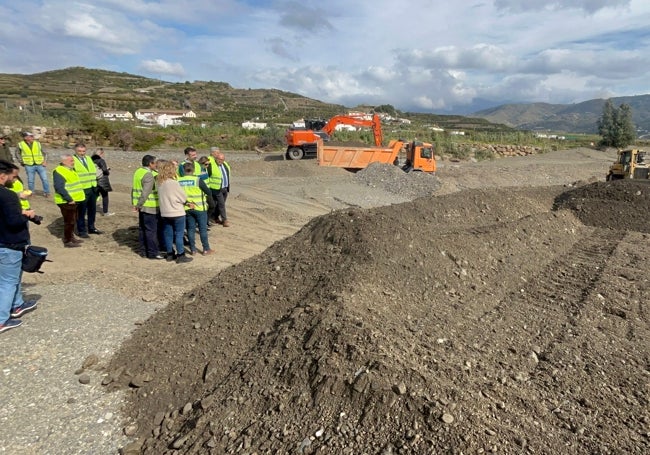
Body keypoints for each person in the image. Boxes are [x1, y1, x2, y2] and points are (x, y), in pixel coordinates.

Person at [0, 159, 38, 334]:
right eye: (12, 177)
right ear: (2, 176)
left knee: (10, 278)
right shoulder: (7, 195)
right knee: (8, 282)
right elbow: (14, 222)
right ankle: (1, 320)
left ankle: (17, 305)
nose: (14, 181)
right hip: (9, 244)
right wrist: (26, 215)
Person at [157, 161, 193, 263]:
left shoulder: (159, 182)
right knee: (179, 234)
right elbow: (182, 197)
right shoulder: (174, 183)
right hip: (177, 212)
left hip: (165, 212)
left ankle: (169, 254)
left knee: (168, 234)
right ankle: (181, 255)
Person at [178, 162, 214, 255]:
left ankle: (193, 249)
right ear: (193, 170)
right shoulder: (197, 180)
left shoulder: (179, 181)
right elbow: (208, 192)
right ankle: (206, 249)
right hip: (200, 208)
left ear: (183, 170)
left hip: (187, 208)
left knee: (190, 229)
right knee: (202, 229)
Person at [132, 155, 164, 260]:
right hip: (149, 206)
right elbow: (146, 192)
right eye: (155, 163)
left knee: (143, 229)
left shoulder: (138, 172)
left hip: (141, 206)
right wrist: (139, 204)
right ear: (150, 164)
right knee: (151, 231)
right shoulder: (148, 175)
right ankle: (153, 252)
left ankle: (143, 250)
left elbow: (134, 189)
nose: (156, 165)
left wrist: (136, 204)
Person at [52, 154, 86, 247]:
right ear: (64, 162)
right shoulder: (59, 171)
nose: (73, 162)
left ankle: (71, 238)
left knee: (73, 220)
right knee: (69, 221)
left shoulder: (70, 170)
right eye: (71, 161)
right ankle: (67, 241)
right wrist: (69, 199)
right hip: (66, 201)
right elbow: (59, 187)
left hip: (74, 200)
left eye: (73, 160)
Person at [72, 143, 102, 238]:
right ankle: (81, 230)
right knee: (81, 211)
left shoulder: (88, 158)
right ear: (75, 151)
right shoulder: (72, 160)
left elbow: (93, 172)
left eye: (83, 151)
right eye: (79, 151)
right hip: (82, 189)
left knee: (92, 210)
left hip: (92, 188)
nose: (82, 153)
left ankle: (91, 227)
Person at [16, 132, 51, 197]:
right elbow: (17, 153)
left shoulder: (38, 144)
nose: (33, 137)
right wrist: (21, 161)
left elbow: (45, 153)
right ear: (26, 138)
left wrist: (45, 161)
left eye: (32, 136)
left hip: (40, 164)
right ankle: (31, 192)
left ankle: (47, 192)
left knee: (44, 179)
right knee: (30, 180)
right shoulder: (20, 144)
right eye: (31, 136)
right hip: (29, 165)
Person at [207, 147, 231, 227]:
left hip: (224, 187)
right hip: (216, 188)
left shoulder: (223, 163)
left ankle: (214, 217)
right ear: (212, 153)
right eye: (217, 153)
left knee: (220, 204)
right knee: (221, 204)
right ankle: (225, 220)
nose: (218, 155)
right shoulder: (210, 162)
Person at [91, 148, 114, 216]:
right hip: (102, 180)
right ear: (101, 153)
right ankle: (105, 212)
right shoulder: (101, 160)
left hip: (94, 180)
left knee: (94, 196)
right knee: (105, 196)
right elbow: (104, 170)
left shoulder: (91, 160)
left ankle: (91, 210)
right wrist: (107, 171)